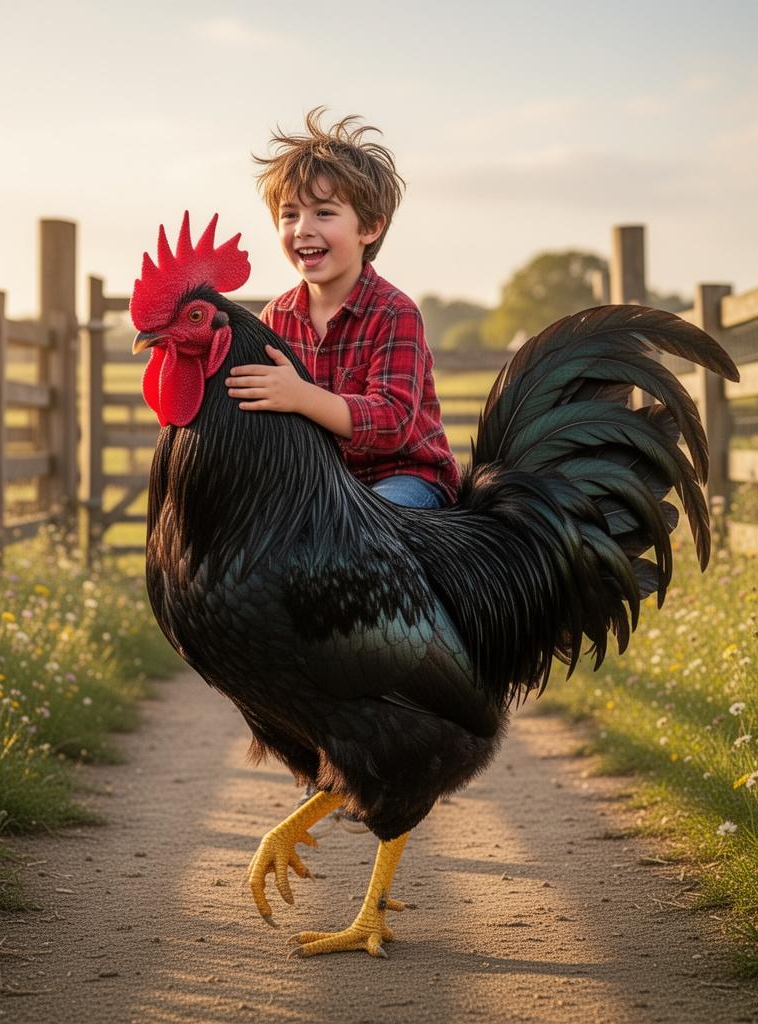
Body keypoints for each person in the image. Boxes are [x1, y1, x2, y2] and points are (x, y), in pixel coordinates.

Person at [225, 107, 461, 827]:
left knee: (370, 550)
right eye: (290, 213)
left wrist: (303, 396)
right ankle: (327, 732)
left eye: (325, 212)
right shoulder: (279, 316)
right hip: (320, 497)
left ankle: (403, 693)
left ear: (369, 228)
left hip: (400, 482)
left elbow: (391, 416)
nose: (305, 229)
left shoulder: (395, 312)